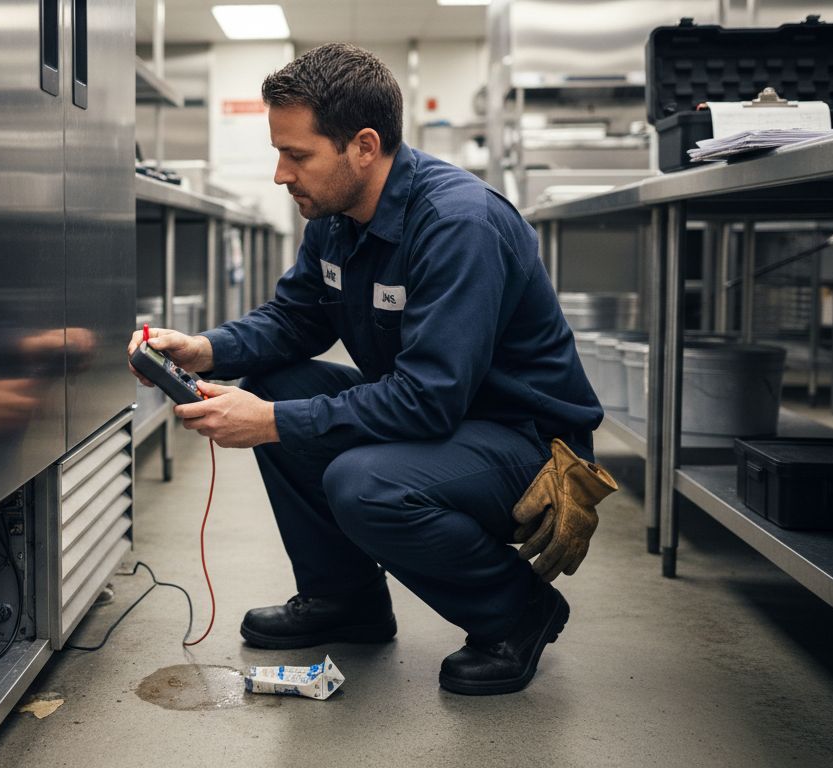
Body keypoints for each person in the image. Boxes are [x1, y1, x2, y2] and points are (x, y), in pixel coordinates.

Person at [127, 43, 616, 695]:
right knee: (282, 384)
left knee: (364, 482)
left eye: (296, 154)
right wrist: (207, 350)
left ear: (363, 146)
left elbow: (427, 401)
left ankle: (516, 612)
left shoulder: (456, 225)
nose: (280, 174)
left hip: (525, 447)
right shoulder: (336, 220)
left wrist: (270, 423)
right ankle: (346, 600)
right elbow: (295, 319)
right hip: (445, 422)